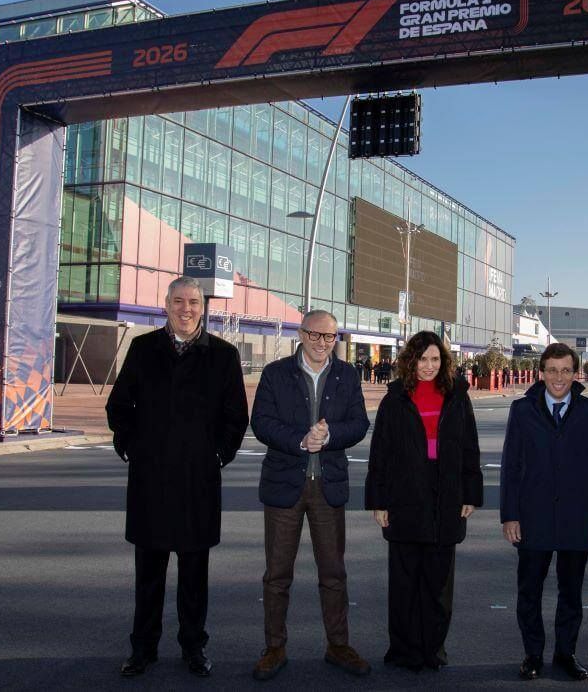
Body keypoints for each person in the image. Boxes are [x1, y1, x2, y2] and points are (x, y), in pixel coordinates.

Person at [106, 276, 249, 678]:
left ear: (203, 308)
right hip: (150, 481)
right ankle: (142, 649)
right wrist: (130, 446)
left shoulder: (223, 356)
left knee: (194, 577)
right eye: (179, 301)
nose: (186, 309)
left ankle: (193, 647)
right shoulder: (143, 349)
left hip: (197, 482)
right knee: (148, 576)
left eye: (193, 302)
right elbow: (119, 406)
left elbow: (236, 416)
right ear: (166, 305)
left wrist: (217, 455)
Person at [250, 310, 371, 680]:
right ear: (301, 334)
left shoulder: (347, 375)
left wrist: (329, 436)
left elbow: (359, 423)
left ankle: (338, 645)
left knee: (333, 573)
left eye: (329, 336)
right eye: (315, 335)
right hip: (284, 485)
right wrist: (300, 440)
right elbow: (261, 422)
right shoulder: (275, 373)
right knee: (277, 574)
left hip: (328, 487)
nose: (322, 343)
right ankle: (274, 648)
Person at [365, 331, 483, 672]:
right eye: (422, 359)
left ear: (443, 362)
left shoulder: (458, 396)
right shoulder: (395, 399)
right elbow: (380, 452)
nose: (428, 366)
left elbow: (470, 448)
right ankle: (403, 650)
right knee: (404, 582)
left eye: (435, 359)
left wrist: (471, 494)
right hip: (405, 494)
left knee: (438, 583)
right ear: (410, 361)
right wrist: (378, 501)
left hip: (446, 494)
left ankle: (433, 649)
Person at [500, 342, 588, 681]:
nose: (559, 377)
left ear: (575, 373)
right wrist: (510, 515)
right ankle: (532, 655)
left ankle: (566, 653)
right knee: (529, 592)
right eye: (552, 370)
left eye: (566, 370)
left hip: (578, 518)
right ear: (541, 373)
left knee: (571, 593)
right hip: (532, 517)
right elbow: (511, 466)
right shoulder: (522, 411)